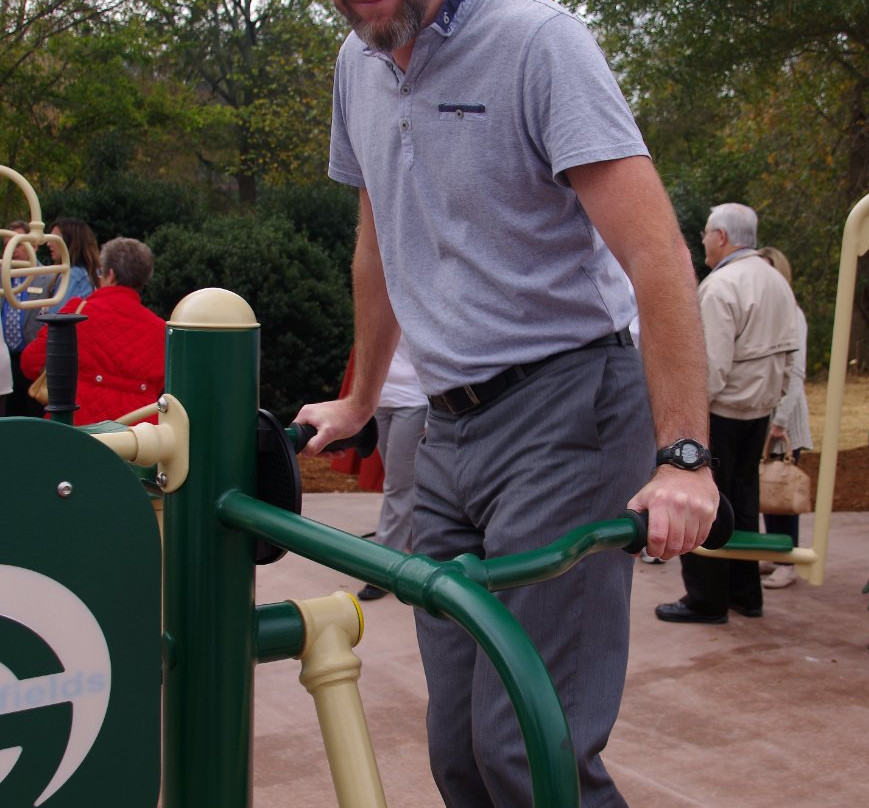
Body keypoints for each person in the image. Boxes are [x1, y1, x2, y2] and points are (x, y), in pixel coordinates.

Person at [294, 2, 719, 806]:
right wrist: (360, 399)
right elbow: (377, 243)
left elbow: (655, 249)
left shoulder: (536, 42)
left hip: (567, 409)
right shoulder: (358, 65)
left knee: (527, 749)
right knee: (458, 751)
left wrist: (685, 460)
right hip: (447, 430)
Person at [656, 203, 797, 624]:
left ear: (721, 237)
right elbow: (790, 353)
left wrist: (687, 422)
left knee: (703, 499)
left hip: (721, 410)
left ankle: (706, 599)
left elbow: (710, 366)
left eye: (704, 233)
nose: (701, 241)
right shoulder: (776, 280)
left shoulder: (721, 286)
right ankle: (745, 593)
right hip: (759, 408)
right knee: (744, 498)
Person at [22, 237, 165, 426]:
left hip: (77, 426)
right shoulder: (160, 329)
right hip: (140, 434)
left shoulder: (78, 311)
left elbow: (30, 363)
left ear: (110, 274)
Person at [757, 246, 813, 589]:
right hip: (765, 416)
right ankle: (774, 552)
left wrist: (780, 421)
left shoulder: (793, 314)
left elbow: (797, 373)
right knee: (767, 486)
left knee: (782, 487)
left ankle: (787, 559)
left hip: (784, 419)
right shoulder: (765, 313)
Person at [357, 335, 428, 601]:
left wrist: (434, 410)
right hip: (381, 401)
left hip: (413, 401)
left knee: (398, 487)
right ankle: (416, 545)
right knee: (402, 484)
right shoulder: (378, 299)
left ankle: (383, 569)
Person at [1, 220, 58, 417]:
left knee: (35, 413)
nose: (11, 250)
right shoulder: (3, 277)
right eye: (7, 244)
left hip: (35, 361)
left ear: (33, 245)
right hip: (8, 361)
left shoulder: (49, 277)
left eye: (17, 244)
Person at [48, 217, 97, 310]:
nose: (49, 243)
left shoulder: (72, 276)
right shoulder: (91, 273)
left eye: (55, 239)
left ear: (70, 242)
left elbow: (57, 317)